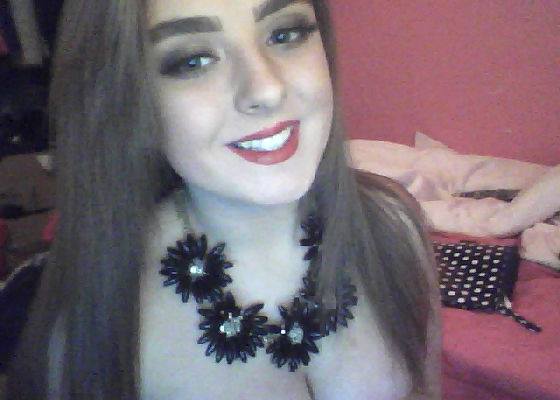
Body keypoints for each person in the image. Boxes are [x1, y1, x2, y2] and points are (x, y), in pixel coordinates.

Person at [7, 0, 442, 398]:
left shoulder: (394, 226)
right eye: (194, 61)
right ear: (128, 96)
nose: (266, 90)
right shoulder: (91, 329)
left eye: (285, 34)